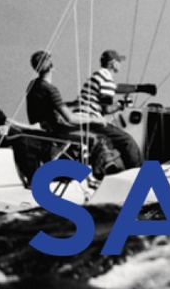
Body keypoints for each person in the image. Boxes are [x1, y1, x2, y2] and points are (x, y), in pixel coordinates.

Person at [24, 50, 116, 189]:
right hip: (55, 132)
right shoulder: (50, 90)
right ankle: (100, 178)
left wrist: (73, 104)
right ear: (52, 67)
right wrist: (96, 119)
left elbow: (49, 107)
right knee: (99, 139)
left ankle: (87, 174)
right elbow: (70, 118)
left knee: (87, 139)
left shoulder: (33, 86)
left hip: (42, 131)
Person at [74, 49, 142, 171]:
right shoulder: (107, 79)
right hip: (91, 120)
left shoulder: (98, 75)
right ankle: (136, 173)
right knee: (127, 141)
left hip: (80, 118)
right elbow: (106, 108)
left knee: (111, 140)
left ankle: (109, 169)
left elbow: (116, 88)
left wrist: (140, 88)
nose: (120, 64)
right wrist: (121, 104)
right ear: (113, 63)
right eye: (119, 61)